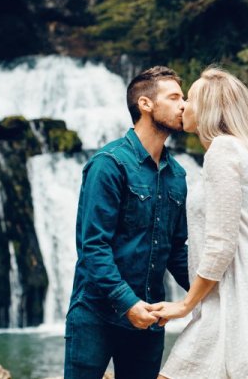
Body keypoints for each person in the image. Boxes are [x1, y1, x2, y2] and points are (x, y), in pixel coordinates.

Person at [152, 67, 248, 378]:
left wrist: (184, 306)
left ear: (209, 108)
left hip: (247, 296)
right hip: (244, 293)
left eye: (190, 99)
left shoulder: (222, 150)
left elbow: (221, 243)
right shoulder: (244, 150)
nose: (183, 106)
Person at [64, 66, 190, 379]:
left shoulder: (178, 176)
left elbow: (177, 251)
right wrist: (127, 303)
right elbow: (94, 246)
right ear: (146, 105)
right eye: (174, 97)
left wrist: (211, 293)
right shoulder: (109, 164)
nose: (184, 105)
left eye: (184, 98)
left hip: (149, 316)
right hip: (95, 313)